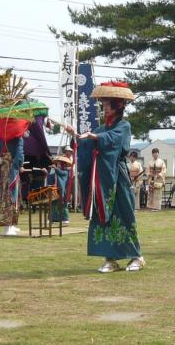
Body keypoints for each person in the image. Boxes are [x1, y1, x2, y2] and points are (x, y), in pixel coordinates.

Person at [67, 81, 144, 273]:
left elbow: (116, 141)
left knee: (124, 216)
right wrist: (76, 137)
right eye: (103, 104)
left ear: (118, 106)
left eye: (107, 104)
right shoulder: (100, 128)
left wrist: (95, 138)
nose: (104, 108)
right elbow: (88, 144)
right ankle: (110, 259)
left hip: (117, 178)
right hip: (101, 180)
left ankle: (137, 256)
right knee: (103, 217)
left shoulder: (124, 126)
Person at [48, 155, 71, 225]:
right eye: (58, 163)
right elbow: (50, 177)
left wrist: (55, 168)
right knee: (53, 204)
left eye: (60, 163)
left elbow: (60, 173)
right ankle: (52, 219)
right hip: (54, 189)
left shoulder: (66, 172)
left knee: (63, 205)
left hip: (62, 190)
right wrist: (46, 172)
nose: (59, 165)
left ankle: (65, 219)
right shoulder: (55, 171)